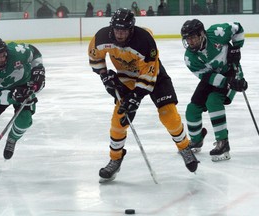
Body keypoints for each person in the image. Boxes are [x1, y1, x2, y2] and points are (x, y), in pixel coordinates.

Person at [88, 8, 199, 183]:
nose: (120, 34)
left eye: (124, 30)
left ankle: (185, 148)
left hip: (155, 77)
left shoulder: (145, 41)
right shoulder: (101, 37)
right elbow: (96, 59)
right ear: (112, 28)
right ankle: (115, 158)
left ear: (132, 28)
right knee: (119, 120)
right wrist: (105, 76)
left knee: (168, 115)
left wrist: (136, 97)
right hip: (126, 79)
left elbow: (149, 75)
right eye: (117, 30)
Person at [180, 19, 248, 162]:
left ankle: (223, 142)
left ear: (202, 34)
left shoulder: (217, 33)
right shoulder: (190, 58)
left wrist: (236, 47)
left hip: (231, 72)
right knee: (192, 109)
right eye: (187, 38)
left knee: (213, 101)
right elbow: (208, 77)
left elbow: (237, 27)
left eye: (193, 37)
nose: (190, 42)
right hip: (213, 78)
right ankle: (196, 140)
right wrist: (228, 83)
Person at [0, 36, 45, 164]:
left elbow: (35, 53)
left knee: (25, 120)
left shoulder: (17, 51)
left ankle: (12, 139)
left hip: (23, 87)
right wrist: (12, 96)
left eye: (3, 55)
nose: (2, 59)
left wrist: (38, 70)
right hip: (1, 93)